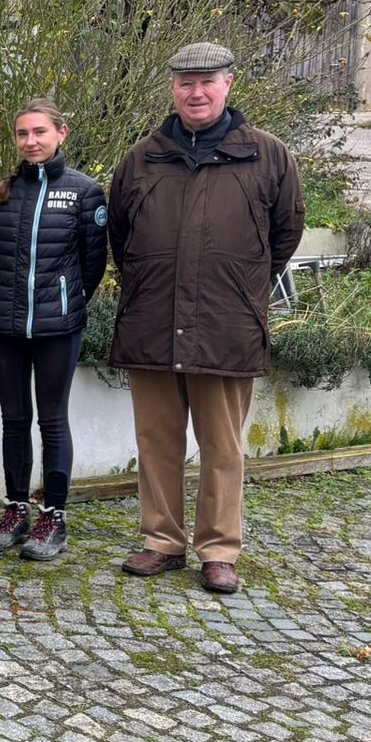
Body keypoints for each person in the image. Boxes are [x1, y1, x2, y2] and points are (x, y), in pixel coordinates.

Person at [109, 42, 305, 594]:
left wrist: (244, 284)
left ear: (228, 84)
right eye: (184, 83)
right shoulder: (142, 157)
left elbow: (285, 234)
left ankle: (219, 549)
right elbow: (120, 236)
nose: (195, 93)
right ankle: (162, 541)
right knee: (156, 440)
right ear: (172, 88)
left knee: (222, 446)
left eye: (207, 82)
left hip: (226, 323)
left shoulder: (267, 156)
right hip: (151, 320)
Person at [0, 97, 110, 561]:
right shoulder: (3, 190)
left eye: (39, 132)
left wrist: (64, 302)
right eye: (22, 134)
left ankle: (53, 516)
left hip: (58, 329)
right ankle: (15, 509)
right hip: (6, 326)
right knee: (13, 421)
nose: (31, 141)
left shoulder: (84, 191)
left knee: (52, 421)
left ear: (60, 134)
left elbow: (93, 265)